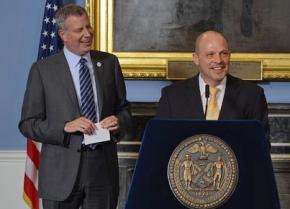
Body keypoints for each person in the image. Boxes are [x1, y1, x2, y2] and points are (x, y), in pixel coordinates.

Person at [19, 4, 133, 209]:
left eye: (88, 27)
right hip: (60, 172)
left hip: (102, 171)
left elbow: (124, 110)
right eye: (79, 30)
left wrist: (119, 121)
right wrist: (64, 126)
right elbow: (28, 124)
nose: (87, 34)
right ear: (63, 34)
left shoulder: (109, 63)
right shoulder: (42, 70)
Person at [156, 30, 270, 145]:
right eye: (210, 54)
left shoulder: (252, 95)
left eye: (223, 53)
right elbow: (161, 144)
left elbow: (261, 147)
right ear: (196, 58)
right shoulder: (172, 96)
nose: (218, 60)